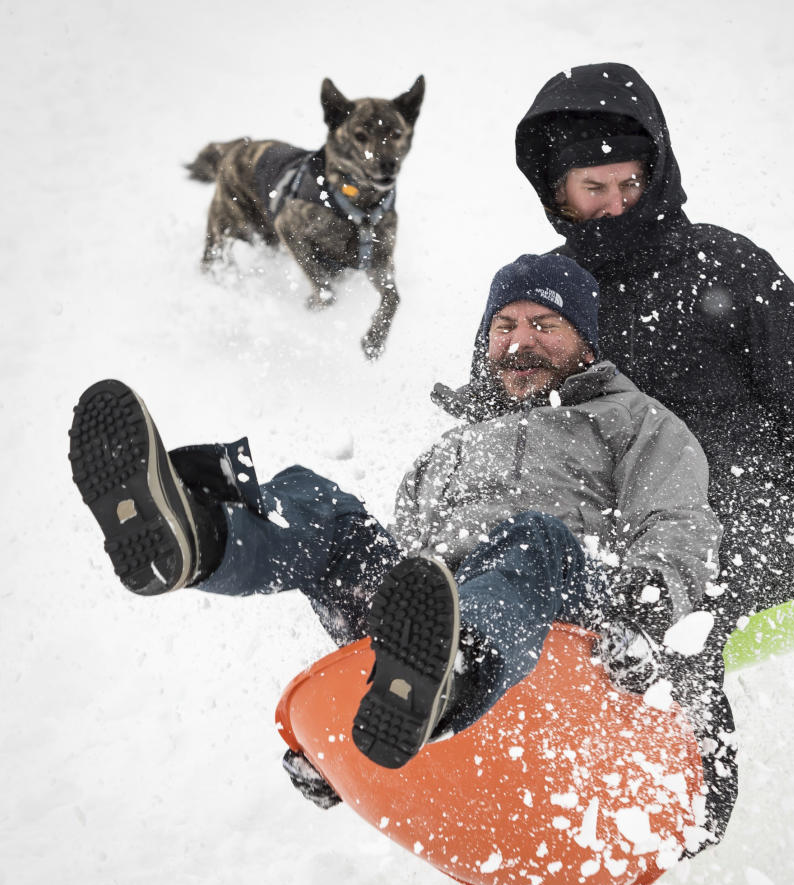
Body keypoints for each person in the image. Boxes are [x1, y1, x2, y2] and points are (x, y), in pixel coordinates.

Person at [69, 253, 737, 844]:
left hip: (580, 622)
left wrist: (647, 608)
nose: (520, 341)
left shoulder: (635, 421)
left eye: (544, 324)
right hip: (453, 628)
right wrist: (341, 741)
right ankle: (201, 539)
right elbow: (413, 599)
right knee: (322, 505)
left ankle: (455, 673)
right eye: (504, 326)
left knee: (532, 539)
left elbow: (679, 528)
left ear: (586, 342)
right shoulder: (442, 456)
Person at [514, 63, 794, 634]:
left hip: (741, 556)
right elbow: (501, 433)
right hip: (605, 568)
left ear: (655, 174)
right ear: (559, 192)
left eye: (630, 184)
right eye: (594, 188)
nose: (616, 205)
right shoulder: (544, 293)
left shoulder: (726, 265)